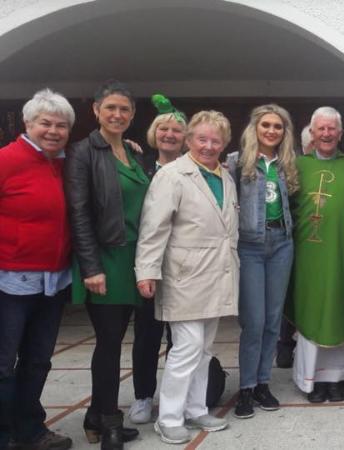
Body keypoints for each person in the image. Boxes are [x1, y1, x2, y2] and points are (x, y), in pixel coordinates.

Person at [135, 110, 238, 444]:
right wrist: (147, 270)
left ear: (224, 143)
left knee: (205, 348)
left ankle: (195, 408)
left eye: (215, 140)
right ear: (189, 139)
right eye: (201, 139)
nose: (208, 146)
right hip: (184, 275)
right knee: (187, 347)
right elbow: (154, 226)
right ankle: (168, 417)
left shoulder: (224, 175)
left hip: (216, 273)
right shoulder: (173, 175)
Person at [64, 80, 147, 450]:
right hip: (106, 259)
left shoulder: (133, 153)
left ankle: (95, 415)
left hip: (134, 258)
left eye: (125, 109)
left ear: (132, 115)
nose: (117, 114)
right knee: (110, 343)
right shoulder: (83, 152)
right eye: (110, 107)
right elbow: (78, 214)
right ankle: (111, 421)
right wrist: (91, 266)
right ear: (95, 110)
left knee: (118, 339)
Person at [0, 89, 75, 450]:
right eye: (45, 123)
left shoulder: (64, 164)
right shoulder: (6, 160)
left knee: (38, 361)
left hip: (53, 281)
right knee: (2, 363)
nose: (53, 130)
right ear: (28, 124)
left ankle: (30, 428)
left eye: (61, 125)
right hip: (10, 280)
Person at [286, 106, 344, 403]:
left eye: (332, 129)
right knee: (311, 313)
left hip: (343, 250)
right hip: (307, 255)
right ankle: (311, 381)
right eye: (322, 129)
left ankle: (335, 380)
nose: (327, 134)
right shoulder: (297, 165)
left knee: (339, 309)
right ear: (312, 132)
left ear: (340, 133)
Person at [226, 104, 298, 419]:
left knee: (272, 319)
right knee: (252, 322)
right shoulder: (236, 162)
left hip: (282, 243)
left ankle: (263, 384)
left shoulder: (286, 164)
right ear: (255, 128)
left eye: (278, 127)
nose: (271, 131)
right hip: (250, 246)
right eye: (266, 125)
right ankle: (246, 387)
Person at [128, 93, 187, 425]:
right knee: (147, 333)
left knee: (180, 336)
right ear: (154, 133)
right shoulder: (139, 165)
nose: (169, 135)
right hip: (150, 261)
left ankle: (176, 395)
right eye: (163, 129)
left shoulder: (194, 167)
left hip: (184, 265)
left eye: (177, 130)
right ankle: (142, 395)